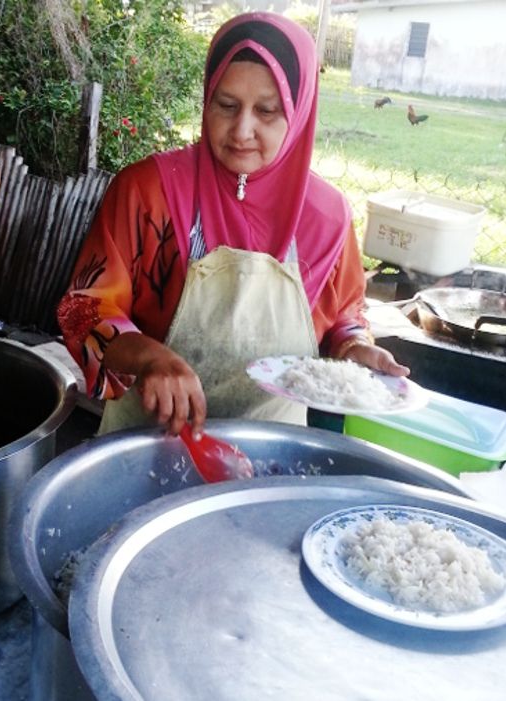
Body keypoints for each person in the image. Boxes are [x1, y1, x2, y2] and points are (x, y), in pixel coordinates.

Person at [57, 11, 408, 438]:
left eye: (267, 110)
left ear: (298, 114)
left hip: (269, 452)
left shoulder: (327, 216)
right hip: (146, 441)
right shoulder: (148, 192)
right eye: (226, 105)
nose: (242, 130)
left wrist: (355, 348)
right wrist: (149, 357)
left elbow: (343, 316)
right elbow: (84, 309)